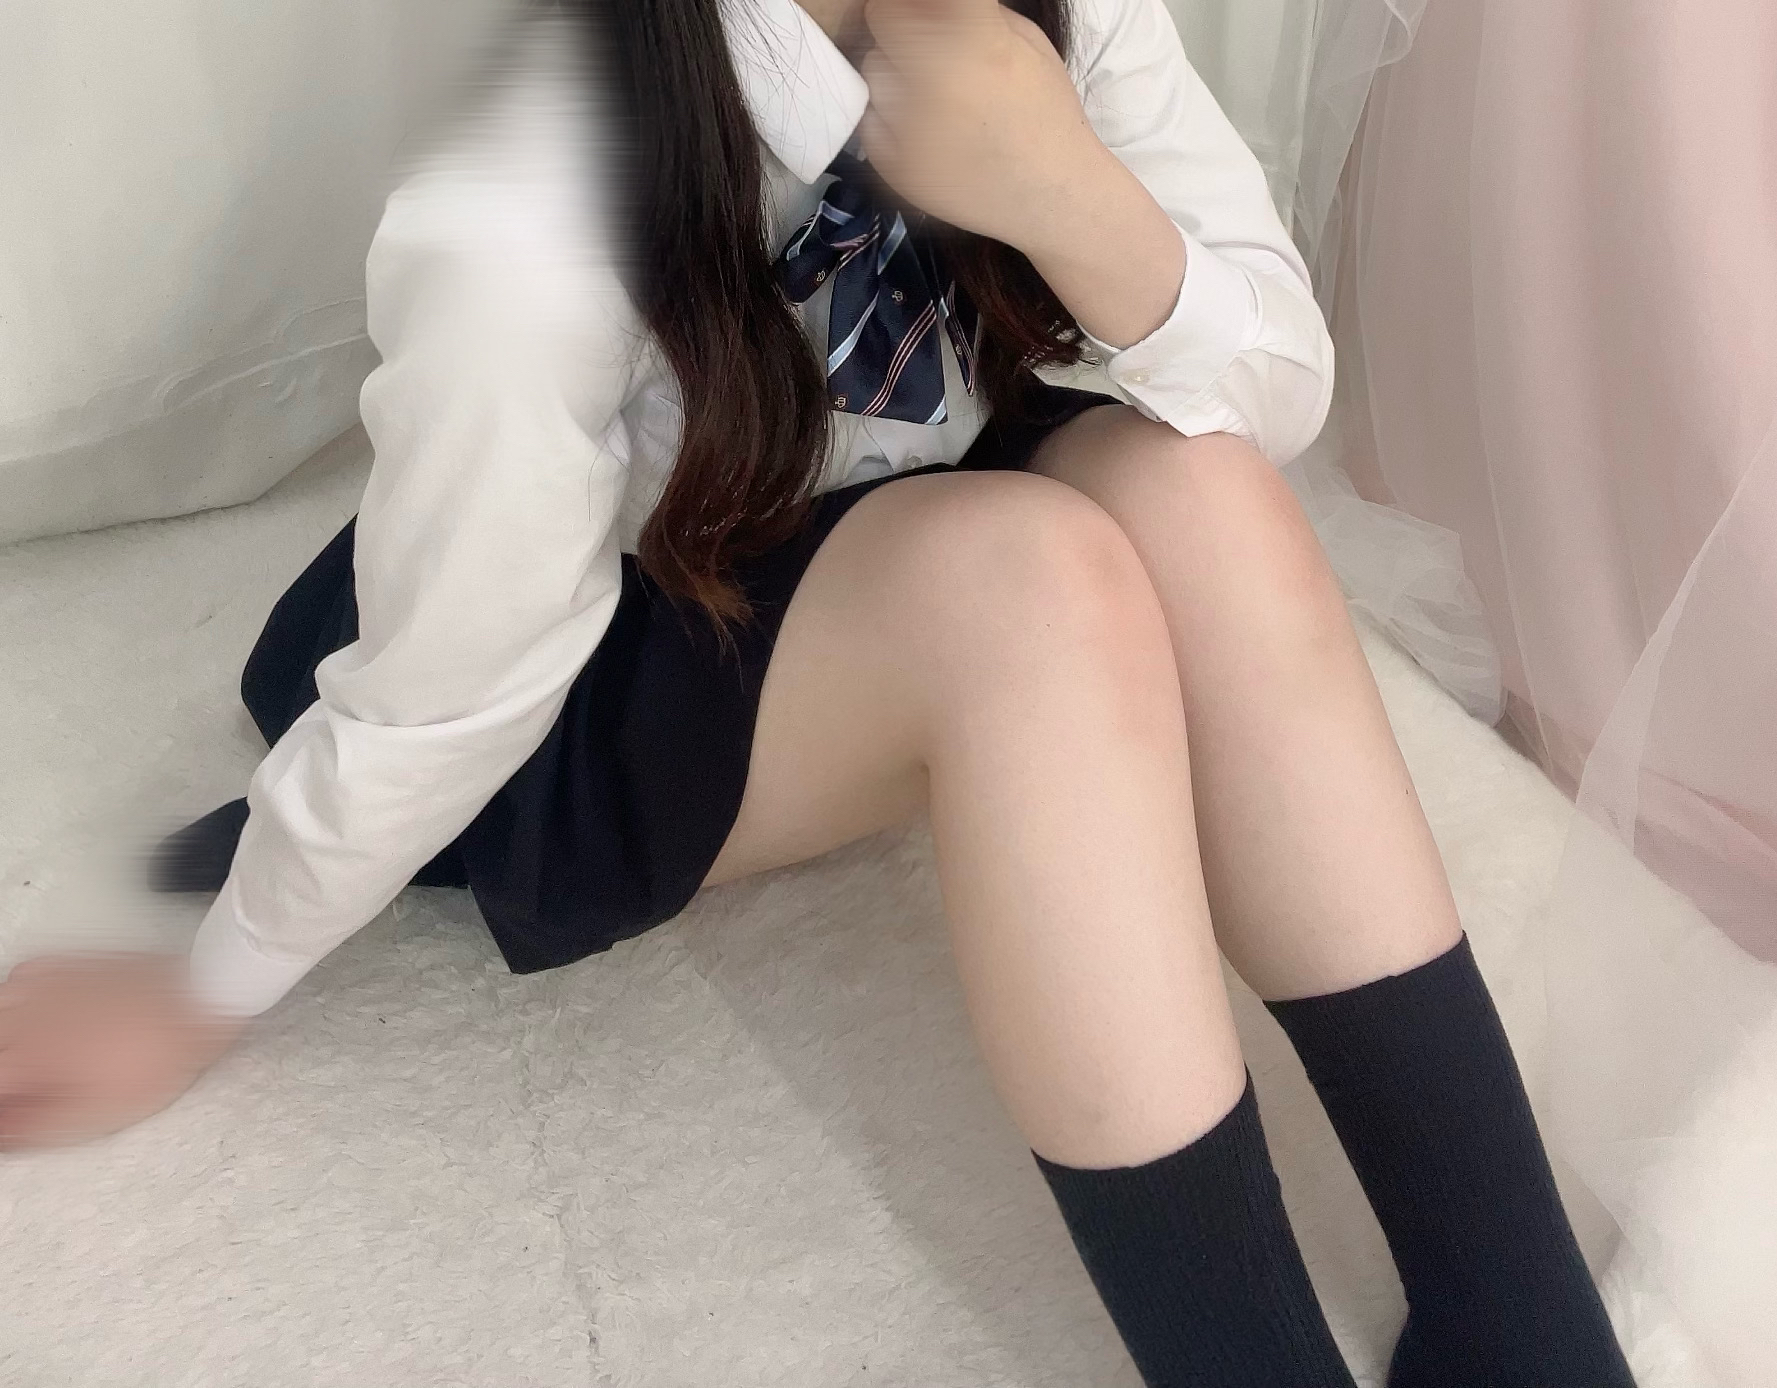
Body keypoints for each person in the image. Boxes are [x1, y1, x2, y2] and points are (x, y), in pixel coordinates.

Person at [0, 1, 1637, 1384]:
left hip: (877, 523)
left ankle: (1514, 1312)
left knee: (1196, 492)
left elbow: (1268, 389)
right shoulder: (529, 191)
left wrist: (1064, 190)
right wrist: (216, 973)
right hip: (599, 659)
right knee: (1025, 589)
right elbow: (455, 682)